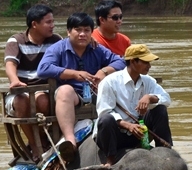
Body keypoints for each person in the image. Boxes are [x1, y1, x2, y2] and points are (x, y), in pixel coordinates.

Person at [37, 13, 126, 159]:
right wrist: (73, 74)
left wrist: (103, 71)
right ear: (69, 31)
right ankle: (70, 140)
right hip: (71, 95)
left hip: (94, 92)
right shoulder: (58, 48)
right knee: (65, 91)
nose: (82, 34)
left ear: (92, 32)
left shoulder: (97, 48)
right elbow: (43, 69)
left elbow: (121, 61)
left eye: (87, 30)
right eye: (78, 30)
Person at [95, 44, 173, 165]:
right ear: (133, 61)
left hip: (138, 133)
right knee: (106, 120)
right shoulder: (110, 82)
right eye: (145, 62)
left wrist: (150, 97)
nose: (149, 66)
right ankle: (110, 159)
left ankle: (165, 151)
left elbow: (167, 99)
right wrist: (127, 125)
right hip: (116, 134)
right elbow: (104, 112)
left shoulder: (148, 81)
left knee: (160, 109)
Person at [3, 3, 62, 160]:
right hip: (21, 90)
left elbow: (71, 52)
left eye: (53, 22)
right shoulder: (16, 41)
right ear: (34, 24)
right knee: (21, 102)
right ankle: (35, 144)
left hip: (45, 90)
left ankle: (43, 137)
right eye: (48, 22)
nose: (52, 26)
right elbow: (10, 64)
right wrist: (14, 80)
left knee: (42, 100)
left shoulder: (56, 40)